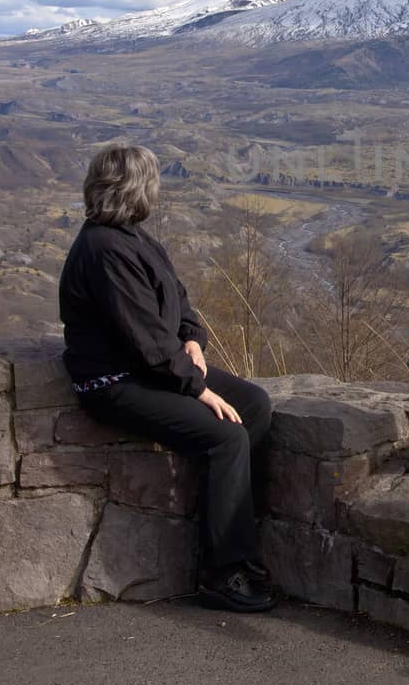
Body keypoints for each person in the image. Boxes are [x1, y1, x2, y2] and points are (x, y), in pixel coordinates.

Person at [59, 143, 274, 612]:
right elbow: (147, 344)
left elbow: (176, 297)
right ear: (138, 188)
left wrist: (192, 336)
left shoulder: (133, 237)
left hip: (153, 368)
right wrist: (198, 389)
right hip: (115, 382)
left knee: (255, 405)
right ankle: (224, 573)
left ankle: (231, 527)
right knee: (225, 437)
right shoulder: (104, 250)